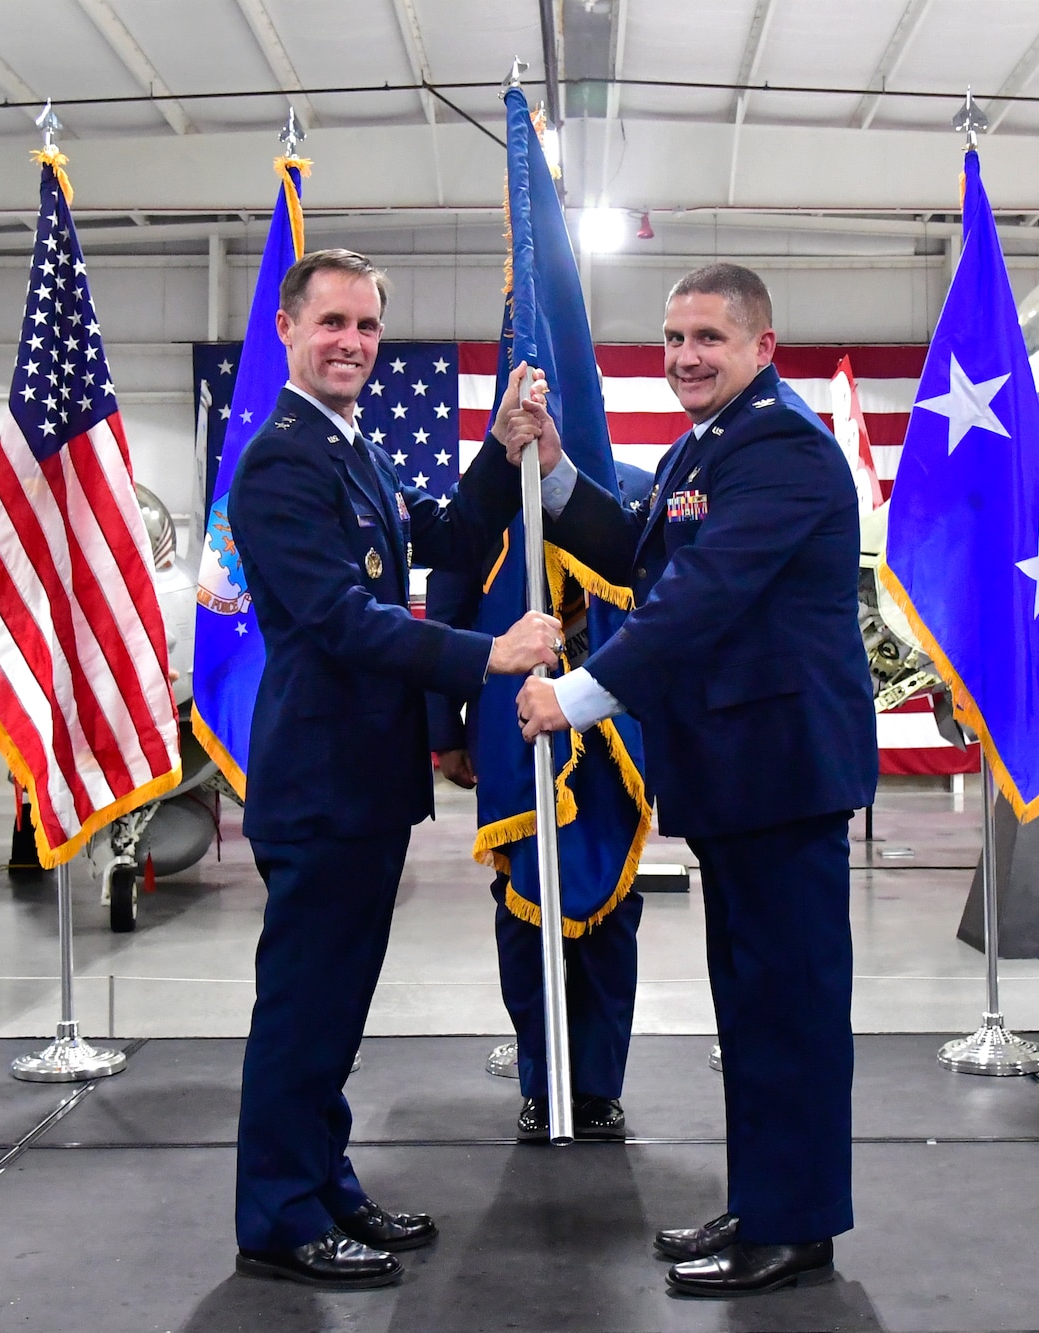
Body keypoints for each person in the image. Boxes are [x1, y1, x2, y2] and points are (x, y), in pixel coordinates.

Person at [506, 262, 879, 1297]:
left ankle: (795, 1226)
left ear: (764, 344)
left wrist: (574, 696)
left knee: (788, 1007)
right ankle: (765, 1198)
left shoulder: (782, 448)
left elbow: (698, 599)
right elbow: (636, 554)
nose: (683, 357)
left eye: (707, 338)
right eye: (673, 338)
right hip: (737, 775)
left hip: (782, 773)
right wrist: (548, 467)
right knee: (751, 1002)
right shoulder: (707, 444)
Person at [226, 248, 560, 1291]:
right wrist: (484, 656)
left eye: (366, 327)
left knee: (334, 1005)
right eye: (331, 323)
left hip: (359, 783)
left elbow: (444, 531)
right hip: (320, 780)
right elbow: (336, 618)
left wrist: (504, 451)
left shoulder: (347, 449)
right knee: (302, 1006)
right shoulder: (284, 459)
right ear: (287, 328)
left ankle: (321, 1181)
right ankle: (278, 1214)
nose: (351, 344)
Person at [423, 460, 656, 1142]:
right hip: (513, 733)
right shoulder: (486, 497)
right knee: (524, 916)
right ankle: (541, 1078)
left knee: (611, 918)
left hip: (614, 746)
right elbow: (449, 612)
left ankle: (598, 1086)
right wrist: (447, 733)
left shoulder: (634, 491)